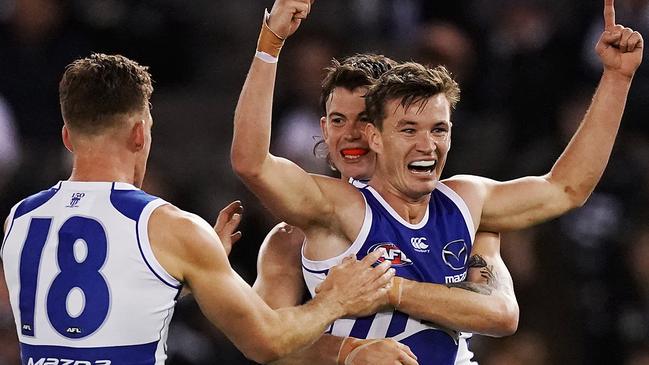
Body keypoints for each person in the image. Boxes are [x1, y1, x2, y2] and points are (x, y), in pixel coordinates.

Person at [232, 0, 642, 363]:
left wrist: (616, 80)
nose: (351, 135)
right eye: (409, 129)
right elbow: (266, 346)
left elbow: (566, 190)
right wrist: (271, 44)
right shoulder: (326, 211)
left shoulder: (466, 202)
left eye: (437, 129)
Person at [0, 53, 396, 365]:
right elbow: (267, 342)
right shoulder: (168, 226)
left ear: (68, 136)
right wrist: (336, 299)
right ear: (140, 132)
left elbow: (82, 310)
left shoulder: (19, 219)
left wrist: (178, 275)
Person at [226, 54, 515, 365]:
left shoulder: (456, 211)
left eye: (363, 119)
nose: (352, 134)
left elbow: (502, 313)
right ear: (324, 129)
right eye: (338, 120)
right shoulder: (290, 238)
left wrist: (393, 290)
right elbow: (265, 345)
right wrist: (348, 352)